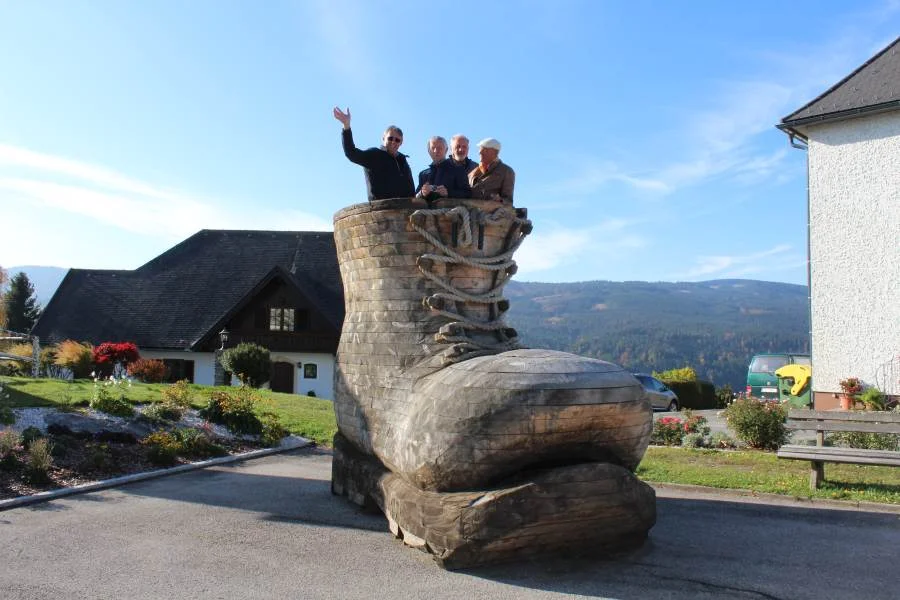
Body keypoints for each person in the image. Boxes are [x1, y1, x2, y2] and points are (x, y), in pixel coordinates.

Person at [333, 106, 415, 201]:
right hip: (381, 210)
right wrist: (346, 126)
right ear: (383, 138)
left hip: (405, 210)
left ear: (401, 142)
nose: (393, 142)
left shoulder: (402, 160)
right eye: (390, 138)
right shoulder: (374, 154)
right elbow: (351, 153)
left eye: (397, 140)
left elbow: (410, 188)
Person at [417, 135, 472, 202]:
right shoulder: (423, 175)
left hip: (450, 211)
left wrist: (448, 193)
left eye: (439, 148)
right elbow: (413, 197)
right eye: (433, 148)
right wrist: (422, 193)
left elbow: (467, 193)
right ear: (429, 151)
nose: (436, 151)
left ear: (446, 150)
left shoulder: (458, 170)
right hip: (425, 212)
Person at [469, 138, 515, 203]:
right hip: (470, 211)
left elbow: (508, 200)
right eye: (480, 149)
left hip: (492, 212)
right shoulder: (472, 173)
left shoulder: (507, 171)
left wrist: (500, 200)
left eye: (485, 150)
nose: (480, 152)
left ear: (495, 152)